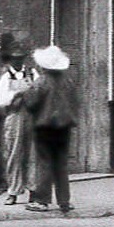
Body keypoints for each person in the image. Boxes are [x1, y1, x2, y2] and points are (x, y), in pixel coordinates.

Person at [22, 44, 77, 214]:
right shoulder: (68, 81)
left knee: (44, 162)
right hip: (64, 127)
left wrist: (26, 90)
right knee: (61, 164)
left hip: (45, 127)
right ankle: (64, 201)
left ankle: (42, 200)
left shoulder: (42, 82)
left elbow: (31, 102)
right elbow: (75, 102)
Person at [0, 39, 35, 205]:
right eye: (14, 58)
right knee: (13, 154)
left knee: (32, 154)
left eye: (20, 58)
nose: (18, 61)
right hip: (14, 116)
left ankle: (34, 190)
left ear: (24, 58)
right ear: (10, 59)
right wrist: (15, 96)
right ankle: (13, 191)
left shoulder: (32, 74)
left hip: (31, 116)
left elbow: (39, 92)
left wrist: (31, 97)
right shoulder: (6, 77)